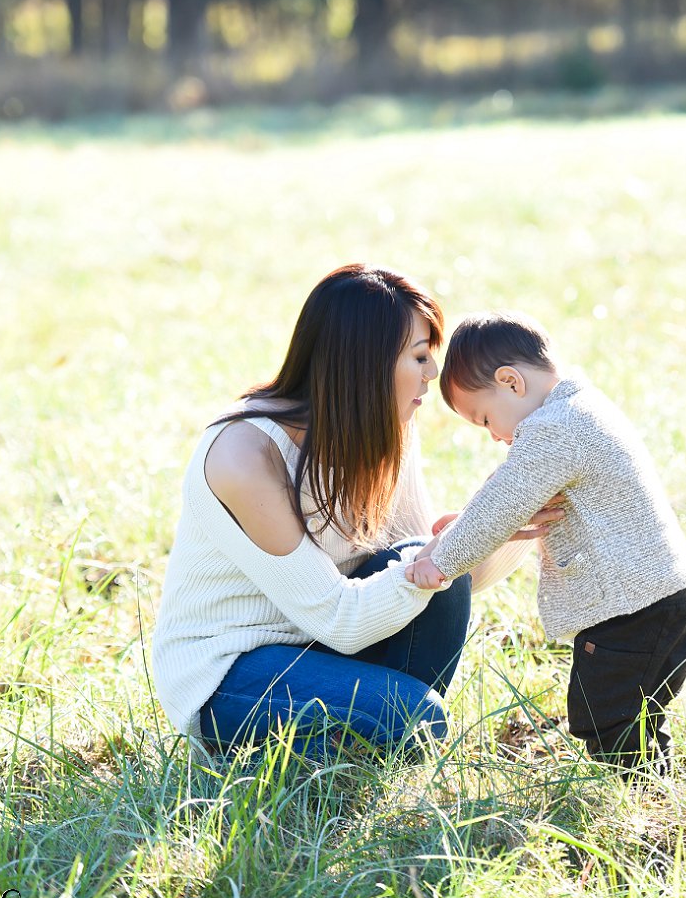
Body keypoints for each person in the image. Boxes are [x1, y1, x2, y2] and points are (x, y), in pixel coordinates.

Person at [152, 265, 550, 759]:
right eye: (420, 356)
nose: (433, 373)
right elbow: (343, 619)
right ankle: (237, 751)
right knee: (418, 717)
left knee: (421, 575)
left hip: (321, 647)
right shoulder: (244, 457)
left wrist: (507, 517)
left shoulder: (386, 432)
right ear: (367, 362)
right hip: (230, 668)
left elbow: (433, 577)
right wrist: (444, 552)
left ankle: (361, 745)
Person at [404, 312, 686, 772]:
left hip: (629, 609)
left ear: (511, 383)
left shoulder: (553, 428)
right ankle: (656, 793)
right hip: (665, 597)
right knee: (635, 716)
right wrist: (462, 520)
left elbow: (500, 506)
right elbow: (509, 490)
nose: (495, 437)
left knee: (605, 717)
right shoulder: (581, 408)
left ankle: (638, 803)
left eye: (485, 419)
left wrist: (440, 561)